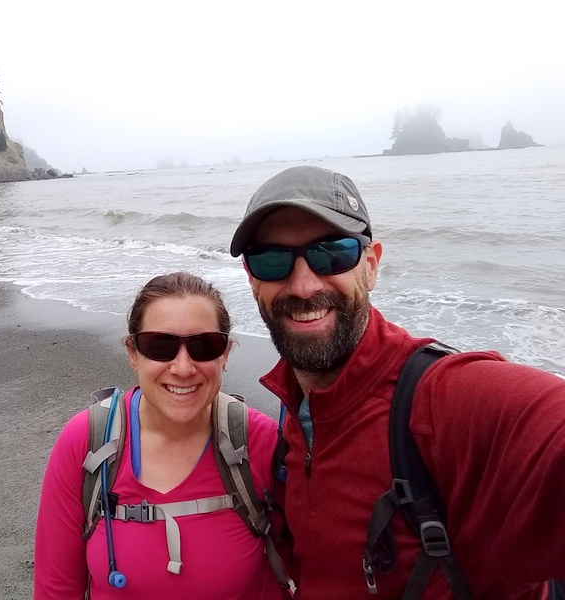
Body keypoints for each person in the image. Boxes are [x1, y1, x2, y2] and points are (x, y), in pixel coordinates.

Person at [230, 165, 565, 599]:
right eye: (272, 259)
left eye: (332, 253)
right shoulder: (293, 407)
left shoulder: (446, 400)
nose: (303, 284)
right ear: (252, 279)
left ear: (371, 266)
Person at [33, 272, 287, 599]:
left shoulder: (261, 442)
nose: (182, 368)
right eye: (160, 345)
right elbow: (57, 590)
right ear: (133, 353)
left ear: (224, 355)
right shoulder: (86, 443)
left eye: (204, 345)